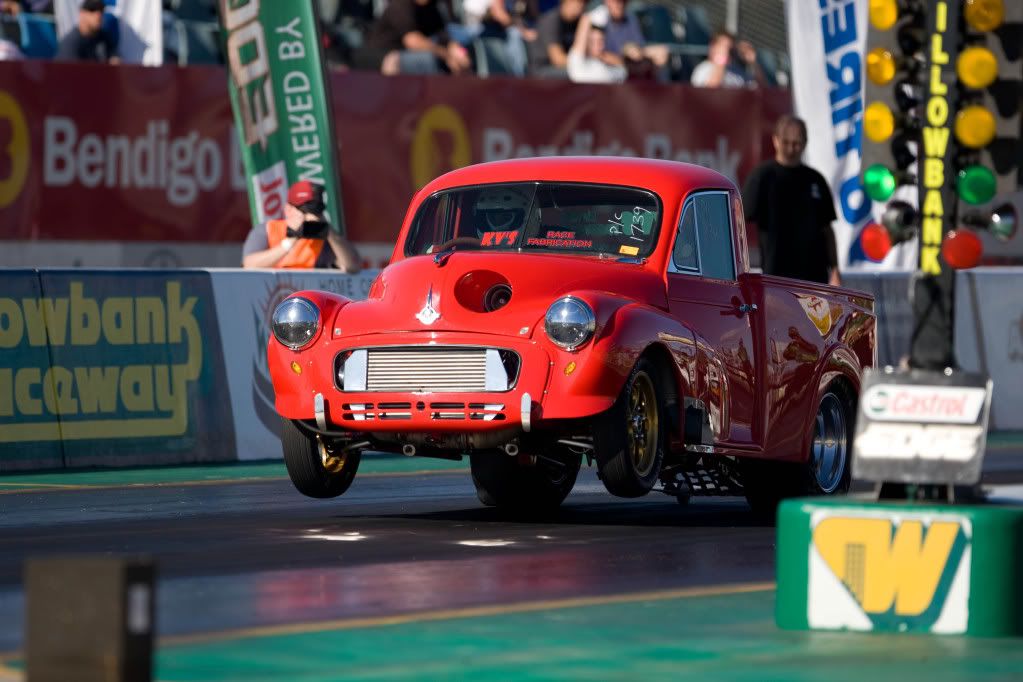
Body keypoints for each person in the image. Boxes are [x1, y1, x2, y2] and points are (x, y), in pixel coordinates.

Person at [742, 115, 840, 286]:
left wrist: (835, 269)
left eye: (797, 143)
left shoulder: (815, 180)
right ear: (776, 140)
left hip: (815, 278)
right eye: (786, 142)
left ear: (805, 143)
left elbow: (827, 229)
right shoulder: (762, 177)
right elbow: (739, 223)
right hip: (777, 277)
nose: (791, 148)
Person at [242, 180, 362, 272]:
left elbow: (352, 266)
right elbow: (249, 265)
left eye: (315, 211)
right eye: (304, 210)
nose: (309, 216)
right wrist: (292, 239)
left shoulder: (324, 237)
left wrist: (328, 231)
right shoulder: (268, 230)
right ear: (288, 209)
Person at [351, 0, 470, 76]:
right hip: (377, 57)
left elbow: (444, 36)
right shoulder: (400, 5)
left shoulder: (432, 8)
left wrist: (458, 53)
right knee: (421, 60)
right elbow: (413, 41)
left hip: (405, 58)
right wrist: (447, 55)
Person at [585, 0, 668, 81]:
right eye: (616, 1)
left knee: (661, 53)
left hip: (630, 71)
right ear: (607, 1)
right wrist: (625, 58)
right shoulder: (599, 18)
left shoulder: (631, 18)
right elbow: (596, 54)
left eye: (624, 1)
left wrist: (635, 52)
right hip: (608, 75)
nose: (620, 4)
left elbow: (638, 49)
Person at [690, 30, 762, 88]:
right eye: (724, 46)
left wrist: (753, 63)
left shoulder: (739, 71)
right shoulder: (703, 69)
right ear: (713, 47)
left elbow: (761, 91)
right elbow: (709, 91)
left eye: (730, 48)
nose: (727, 51)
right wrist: (721, 60)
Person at [55, 0, 119, 64]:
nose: (98, 15)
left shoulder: (104, 37)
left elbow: (114, 58)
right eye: (92, 10)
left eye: (101, 10)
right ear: (82, 13)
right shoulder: (71, 43)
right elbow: (70, 72)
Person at [531, 0, 583, 77]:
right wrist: (584, 64)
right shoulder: (550, 21)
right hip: (542, 69)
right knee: (579, 73)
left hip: (563, 66)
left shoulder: (576, 22)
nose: (581, 7)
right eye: (578, 2)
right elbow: (557, 59)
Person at [566, 18, 625, 84]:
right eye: (592, 41)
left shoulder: (609, 63)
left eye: (600, 41)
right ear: (586, 44)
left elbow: (622, 70)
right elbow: (584, 26)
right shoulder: (578, 64)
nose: (597, 45)